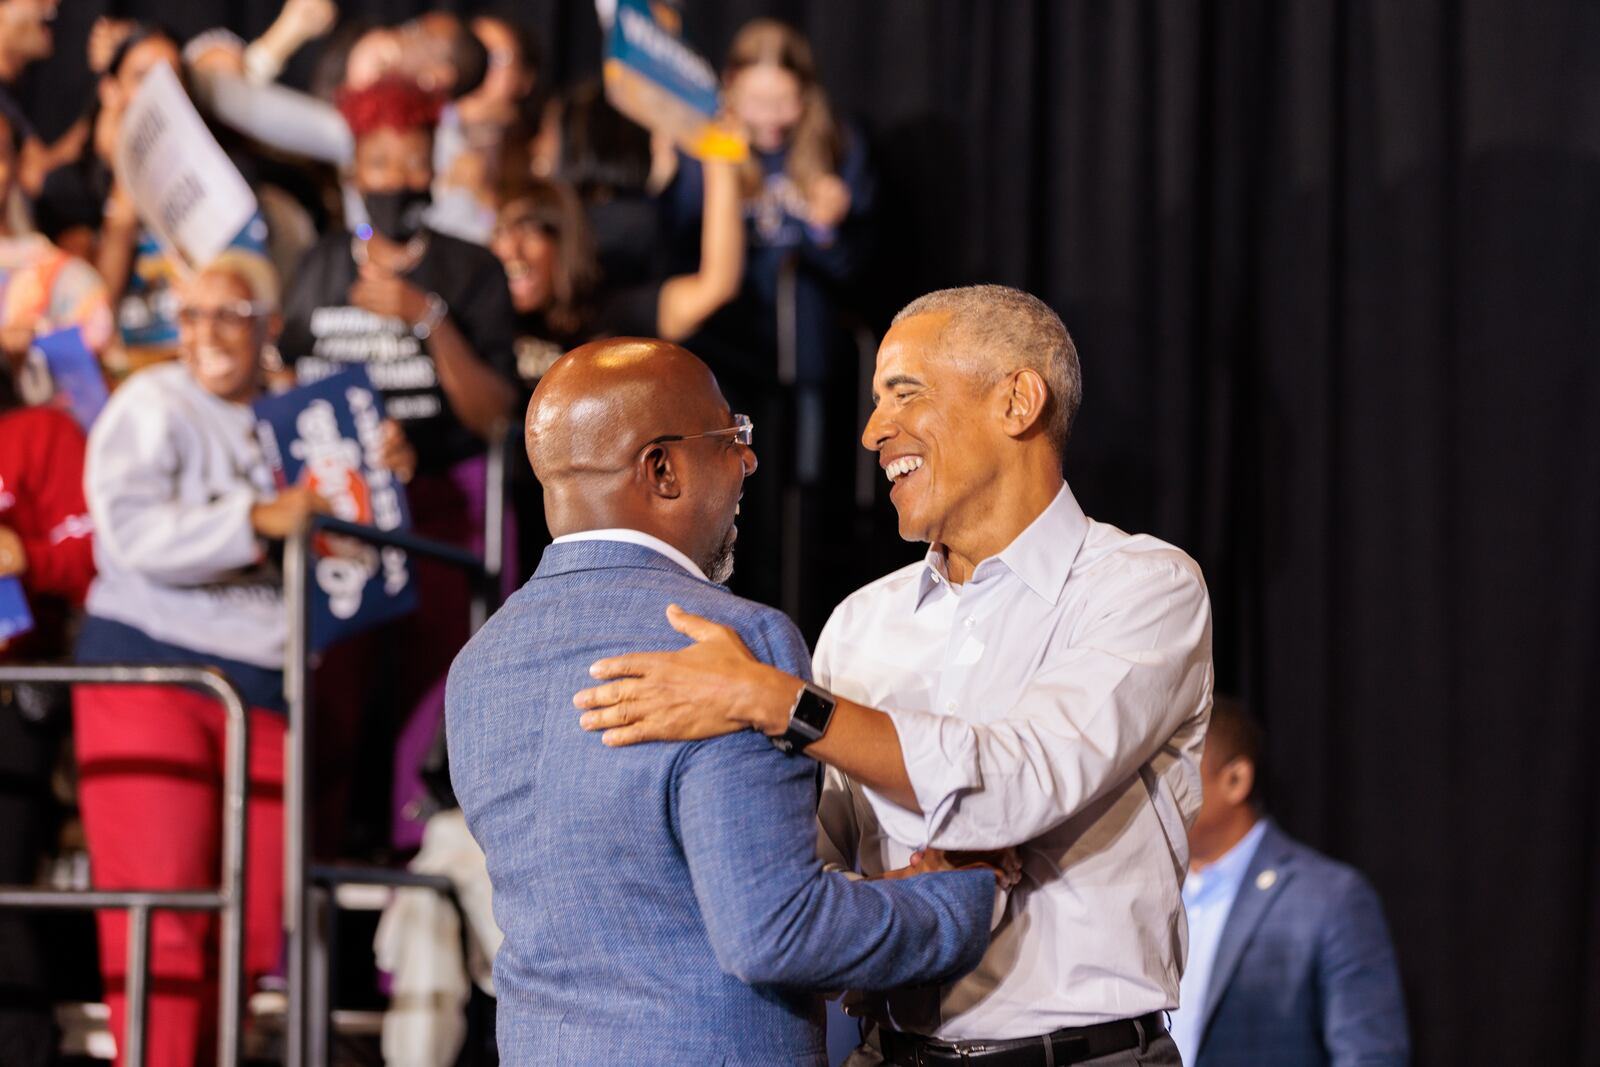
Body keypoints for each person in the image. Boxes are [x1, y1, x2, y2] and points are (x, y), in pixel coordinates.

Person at [574, 285, 1213, 1066]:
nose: (875, 431)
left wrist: (778, 702)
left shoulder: (1144, 587)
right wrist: (907, 893)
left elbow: (1016, 785)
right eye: (876, 403)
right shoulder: (861, 621)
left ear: (1017, 400)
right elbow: (808, 856)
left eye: (903, 394)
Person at [447, 337, 1006, 1065]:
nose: (748, 461)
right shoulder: (731, 639)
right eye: (733, 437)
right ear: (663, 468)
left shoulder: (478, 665)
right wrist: (954, 894)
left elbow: (636, 900)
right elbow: (777, 932)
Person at [72, 249, 312, 1067]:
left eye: (231, 315)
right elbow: (129, 534)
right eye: (193, 316)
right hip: (152, 666)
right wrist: (257, 519)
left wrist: (380, 471)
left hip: (270, 683)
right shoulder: (152, 400)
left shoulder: (299, 414)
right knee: (162, 909)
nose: (208, 333)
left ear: (267, 328)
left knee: (257, 917)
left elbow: (350, 552)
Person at [278, 74, 518, 854]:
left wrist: (427, 319)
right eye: (378, 162)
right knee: (330, 718)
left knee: (429, 721)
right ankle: (305, 947)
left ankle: (406, 941)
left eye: (410, 161)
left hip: (445, 513)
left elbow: (494, 411)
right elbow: (279, 390)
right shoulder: (315, 267)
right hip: (340, 523)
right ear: (354, 170)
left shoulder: (469, 269)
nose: (394, 179)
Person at [1168, 697, 1409, 1067]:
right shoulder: (1151, 895)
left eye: (1176, 772)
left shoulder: (1331, 898)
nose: (1160, 793)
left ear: (1235, 780)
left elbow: (1370, 1056)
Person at [0, 285, 94, 1067]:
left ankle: (25, 1044)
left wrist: (27, 557)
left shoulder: (41, 431)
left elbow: (96, 551)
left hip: (12, 687)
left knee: (4, 892)